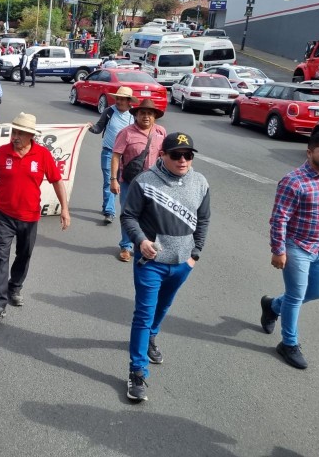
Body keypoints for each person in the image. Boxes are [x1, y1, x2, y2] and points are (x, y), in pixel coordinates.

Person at [121, 132, 210, 402]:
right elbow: (129, 215)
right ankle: (137, 371)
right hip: (151, 263)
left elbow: (203, 220)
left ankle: (151, 338)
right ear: (163, 155)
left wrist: (194, 255)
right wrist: (140, 240)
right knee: (143, 315)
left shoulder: (200, 182)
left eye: (188, 155)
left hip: (182, 263)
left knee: (163, 307)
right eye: (176, 155)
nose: (183, 160)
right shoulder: (144, 181)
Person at [0, 112, 71, 323]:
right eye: (14, 132)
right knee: (0, 257)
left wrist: (65, 209)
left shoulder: (42, 155)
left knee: (24, 254)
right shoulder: (1, 153)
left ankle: (14, 287)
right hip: (3, 214)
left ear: (31, 136)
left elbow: (57, 181)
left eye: (21, 133)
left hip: (29, 216)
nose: (16, 136)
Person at [260, 132, 319, 369]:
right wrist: (279, 250)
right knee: (296, 295)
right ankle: (288, 344)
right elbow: (279, 218)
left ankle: (273, 306)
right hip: (297, 246)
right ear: (309, 152)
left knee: (316, 292)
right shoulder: (294, 181)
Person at [110, 99, 167, 262]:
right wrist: (113, 179)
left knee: (152, 215)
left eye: (150, 113)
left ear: (155, 116)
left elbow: (165, 155)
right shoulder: (126, 133)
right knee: (129, 215)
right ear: (136, 115)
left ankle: (146, 245)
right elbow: (115, 156)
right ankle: (126, 246)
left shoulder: (161, 132)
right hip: (131, 182)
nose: (146, 117)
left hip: (154, 183)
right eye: (143, 113)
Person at [88, 86, 137, 224]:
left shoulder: (134, 115)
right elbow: (99, 128)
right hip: (109, 152)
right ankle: (110, 211)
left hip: (127, 157)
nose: (119, 102)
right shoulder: (109, 111)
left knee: (122, 182)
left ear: (129, 101)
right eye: (118, 99)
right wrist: (90, 127)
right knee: (110, 181)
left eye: (122, 99)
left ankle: (108, 206)